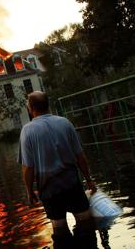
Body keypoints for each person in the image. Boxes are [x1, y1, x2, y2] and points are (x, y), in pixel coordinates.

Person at [18, 91, 98, 248]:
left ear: (30, 108)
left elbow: (28, 168)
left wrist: (29, 191)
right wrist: (88, 179)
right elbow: (80, 157)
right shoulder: (65, 123)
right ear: (48, 104)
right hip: (72, 183)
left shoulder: (27, 131)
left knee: (60, 230)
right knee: (85, 224)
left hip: (49, 189)